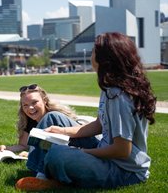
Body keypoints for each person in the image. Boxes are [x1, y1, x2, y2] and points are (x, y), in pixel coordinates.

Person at [15, 32, 157, 191]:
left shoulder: (119, 97)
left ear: (105, 59)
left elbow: (122, 150)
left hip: (124, 171)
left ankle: (51, 177)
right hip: (108, 157)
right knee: (52, 117)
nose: (91, 55)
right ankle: (42, 175)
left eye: (93, 52)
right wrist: (62, 130)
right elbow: (99, 124)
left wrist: (82, 152)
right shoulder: (109, 88)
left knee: (58, 154)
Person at [0, 84, 87, 178]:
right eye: (25, 105)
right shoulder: (30, 121)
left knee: (50, 117)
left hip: (85, 144)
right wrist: (6, 148)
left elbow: (65, 143)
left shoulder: (54, 116)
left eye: (34, 103)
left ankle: (40, 176)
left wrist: (31, 153)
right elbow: (23, 145)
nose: (30, 108)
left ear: (45, 101)